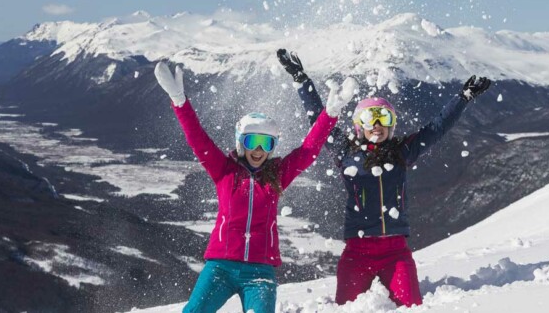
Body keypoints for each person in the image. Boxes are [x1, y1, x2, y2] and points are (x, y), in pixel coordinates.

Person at [276, 49, 491, 307]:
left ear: (392, 125)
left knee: (411, 307)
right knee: (346, 309)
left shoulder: (402, 152)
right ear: (359, 126)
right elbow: (319, 120)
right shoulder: (346, 153)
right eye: (369, 118)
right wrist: (301, 79)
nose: (377, 124)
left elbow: (437, 127)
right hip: (356, 253)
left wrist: (463, 97)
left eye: (384, 118)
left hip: (396, 253)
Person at [154, 61, 355, 313]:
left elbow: (308, 150)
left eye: (266, 143)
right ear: (241, 143)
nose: (259, 150)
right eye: (252, 141)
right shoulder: (224, 170)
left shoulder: (278, 175)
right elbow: (197, 138)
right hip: (220, 267)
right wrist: (179, 101)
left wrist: (331, 114)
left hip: (260, 271)